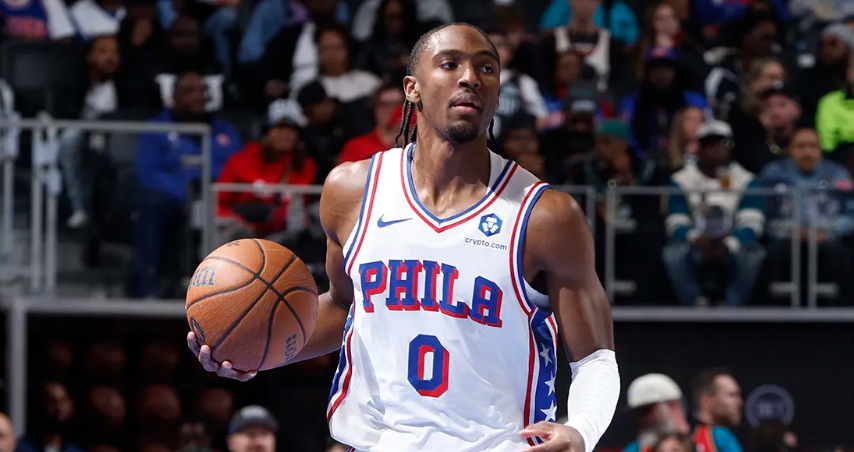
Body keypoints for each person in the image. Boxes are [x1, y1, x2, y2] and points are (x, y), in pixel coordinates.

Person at [188, 22, 620, 451]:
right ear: (412, 88)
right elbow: (344, 306)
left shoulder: (546, 215)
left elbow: (596, 358)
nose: (470, 77)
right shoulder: (351, 191)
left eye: (486, 68)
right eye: (450, 64)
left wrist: (582, 429)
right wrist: (257, 347)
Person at [131, 71, 242, 298]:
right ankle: (148, 286)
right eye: (190, 91)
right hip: (174, 200)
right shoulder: (156, 129)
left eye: (203, 90)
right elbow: (149, 173)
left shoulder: (225, 131)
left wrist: (209, 195)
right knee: (151, 207)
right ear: (174, 98)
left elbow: (237, 168)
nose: (199, 96)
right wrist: (187, 197)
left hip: (218, 199)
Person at [662, 120, 765, 306]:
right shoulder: (681, 180)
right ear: (699, 148)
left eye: (723, 144)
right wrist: (697, 239)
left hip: (732, 243)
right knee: (673, 254)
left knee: (753, 254)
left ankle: (731, 307)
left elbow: (752, 222)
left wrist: (730, 244)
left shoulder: (746, 180)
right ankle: (696, 304)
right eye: (710, 144)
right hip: (696, 243)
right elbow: (676, 222)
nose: (717, 149)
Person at [760, 127, 854, 305]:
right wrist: (787, 232)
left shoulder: (837, 174)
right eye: (801, 146)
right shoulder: (773, 174)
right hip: (785, 238)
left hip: (826, 238)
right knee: (772, 254)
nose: (807, 152)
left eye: (812, 146)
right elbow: (764, 214)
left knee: (841, 255)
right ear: (790, 150)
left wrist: (828, 231)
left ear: (820, 150)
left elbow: (851, 214)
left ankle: (838, 312)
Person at [338, 83, 405, 164]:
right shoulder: (357, 146)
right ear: (375, 109)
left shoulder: (414, 147)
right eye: (386, 105)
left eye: (398, 105)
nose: (393, 109)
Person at [622, 374, 690, 452]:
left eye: (646, 410)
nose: (642, 419)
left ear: (672, 405)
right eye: (637, 413)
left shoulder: (700, 441)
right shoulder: (633, 450)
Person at [690, 369, 744, 452]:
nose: (740, 402)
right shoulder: (721, 435)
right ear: (707, 401)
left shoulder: (690, 439)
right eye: (731, 395)